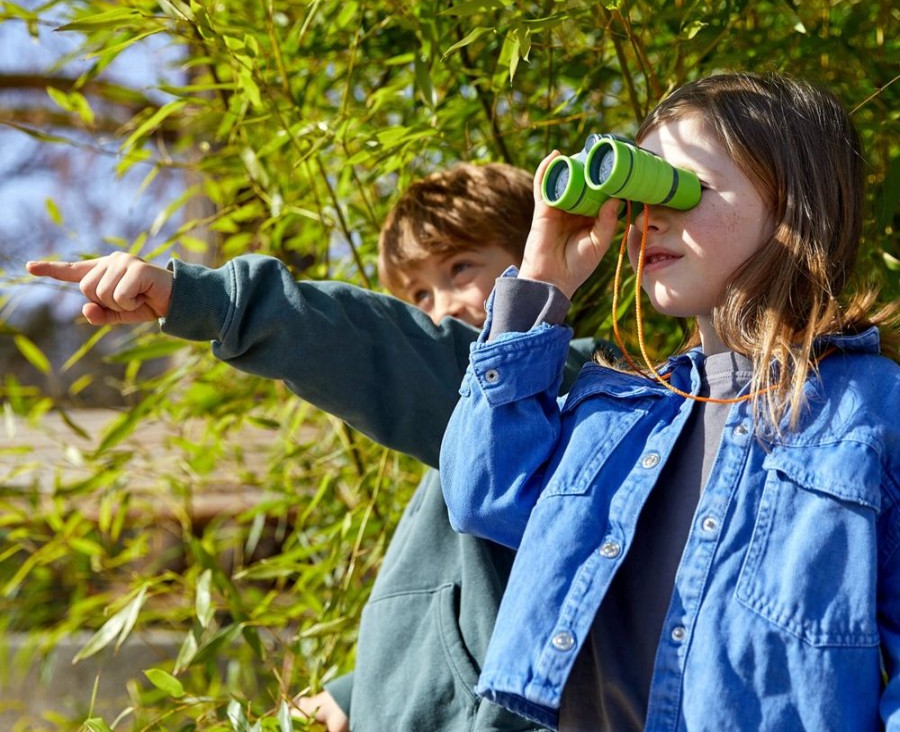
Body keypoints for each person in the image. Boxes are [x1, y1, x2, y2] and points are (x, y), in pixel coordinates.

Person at [28, 162, 612, 732]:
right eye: (418, 293)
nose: (444, 306)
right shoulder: (460, 434)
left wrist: (208, 300)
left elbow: (375, 348)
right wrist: (357, 694)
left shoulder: (557, 388)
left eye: (461, 268)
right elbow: (468, 611)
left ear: (545, 255)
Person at [439, 72, 900, 731]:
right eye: (637, 194)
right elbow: (484, 493)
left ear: (794, 205)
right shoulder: (618, 414)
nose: (649, 217)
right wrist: (541, 282)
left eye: (681, 188)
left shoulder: (868, 410)